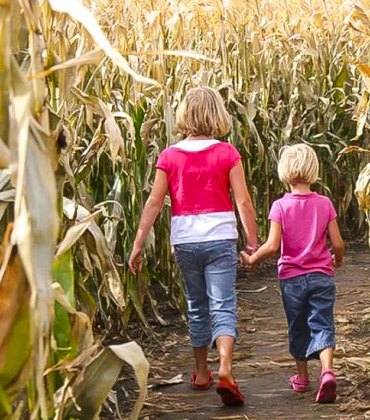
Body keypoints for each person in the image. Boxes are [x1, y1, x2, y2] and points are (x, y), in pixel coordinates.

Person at [128, 86, 257, 406]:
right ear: (217, 114)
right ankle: (225, 368)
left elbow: (154, 203)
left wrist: (138, 243)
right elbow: (242, 200)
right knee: (223, 305)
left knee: (197, 306)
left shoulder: (169, 156)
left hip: (186, 241)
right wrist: (253, 241)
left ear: (185, 115)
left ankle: (201, 373)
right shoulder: (228, 153)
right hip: (220, 238)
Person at [241, 144, 345, 404]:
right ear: (314, 171)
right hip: (321, 275)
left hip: (292, 279)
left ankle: (302, 378)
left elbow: (273, 245)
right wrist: (338, 259)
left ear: (284, 173)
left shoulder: (280, 206)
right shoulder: (324, 203)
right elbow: (338, 243)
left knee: (297, 326)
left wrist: (252, 258)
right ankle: (327, 372)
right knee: (322, 323)